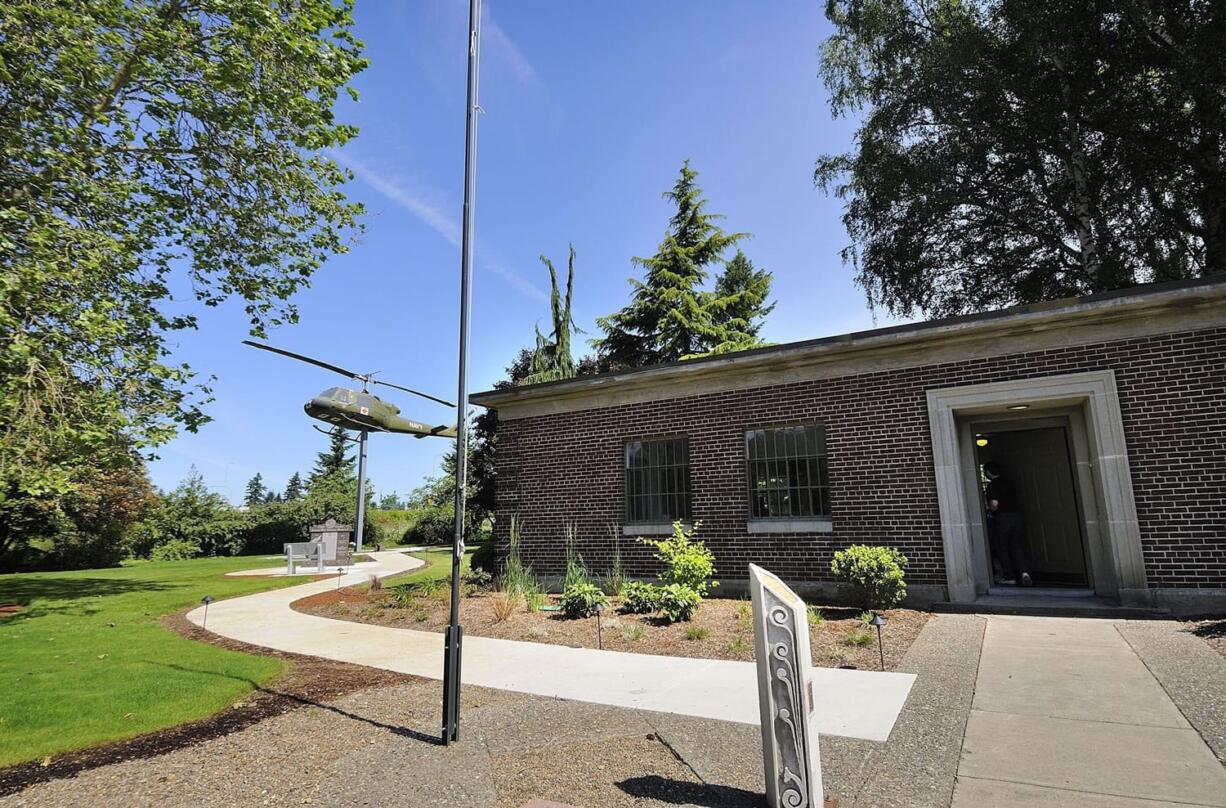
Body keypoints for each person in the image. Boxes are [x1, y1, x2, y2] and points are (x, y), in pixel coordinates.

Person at [983, 461, 1032, 586]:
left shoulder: (992, 486)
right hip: (1016, 516)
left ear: (988, 472)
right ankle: (1024, 573)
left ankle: (1009, 576)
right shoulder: (1010, 482)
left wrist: (990, 511)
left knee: (1002, 547)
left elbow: (994, 504)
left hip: (1002, 518)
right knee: (1017, 547)